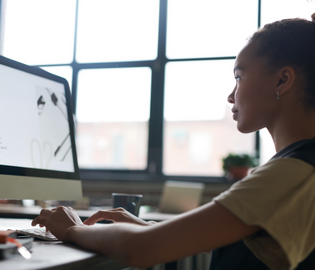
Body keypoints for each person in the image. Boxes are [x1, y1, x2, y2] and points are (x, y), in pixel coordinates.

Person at [32, 13, 315, 270]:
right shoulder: (299, 166)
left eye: (239, 77)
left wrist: (74, 230)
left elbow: (140, 250)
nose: (231, 96)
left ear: (282, 81)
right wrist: (145, 227)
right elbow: (237, 243)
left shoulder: (296, 171)